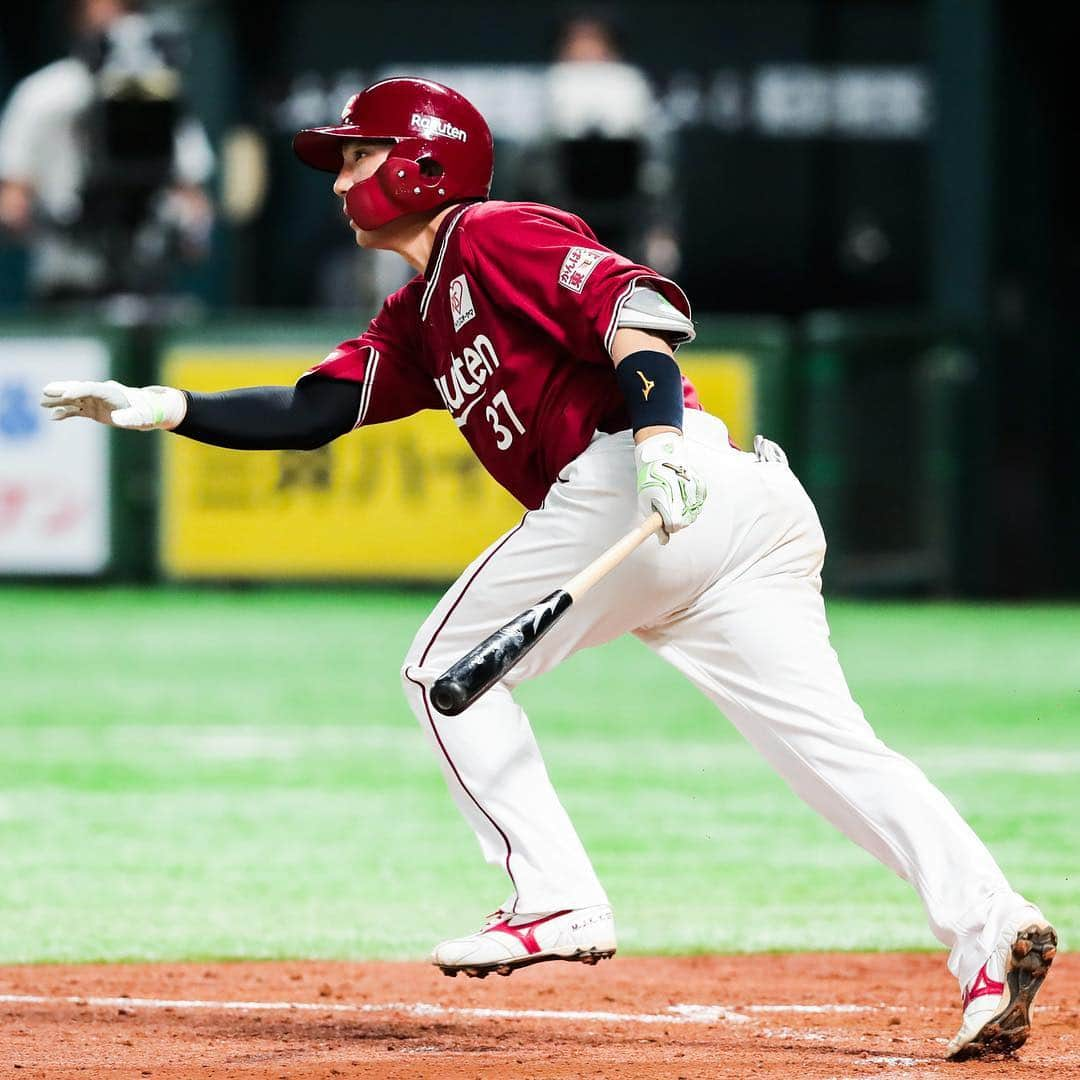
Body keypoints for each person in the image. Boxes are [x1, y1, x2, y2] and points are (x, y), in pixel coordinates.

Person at [39, 77, 1055, 1061]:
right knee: (837, 756)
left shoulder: (492, 232)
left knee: (443, 675)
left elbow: (639, 307)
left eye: (358, 155)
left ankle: (556, 898)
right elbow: (314, 409)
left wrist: (657, 447)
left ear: (423, 165)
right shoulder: (419, 317)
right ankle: (991, 933)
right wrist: (166, 406)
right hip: (726, 505)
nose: (341, 180)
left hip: (649, 472)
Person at [0, 0, 213, 301]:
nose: (120, 21)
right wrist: (52, 218)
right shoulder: (45, 94)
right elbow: (12, 200)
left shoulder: (160, 93)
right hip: (69, 287)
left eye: (127, 9)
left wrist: (187, 225)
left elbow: (194, 201)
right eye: (107, 7)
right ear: (77, 15)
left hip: (148, 287)